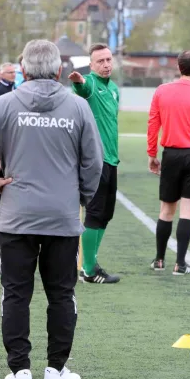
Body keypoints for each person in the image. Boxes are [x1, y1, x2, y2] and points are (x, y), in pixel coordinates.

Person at [0, 39, 103, 379]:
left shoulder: (6, 104)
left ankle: (20, 372)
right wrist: (78, 196)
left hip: (16, 215)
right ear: (57, 71)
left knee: (16, 294)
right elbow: (93, 163)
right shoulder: (78, 106)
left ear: (23, 70)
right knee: (62, 294)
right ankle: (56, 370)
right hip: (61, 216)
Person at [146, 50, 190, 275]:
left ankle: (159, 259)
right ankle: (180, 263)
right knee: (187, 210)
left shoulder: (162, 91)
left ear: (178, 67)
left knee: (166, 210)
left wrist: (152, 153)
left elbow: (153, 123)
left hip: (171, 155)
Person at [68, 43, 121, 284]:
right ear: (91, 65)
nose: (106, 64)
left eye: (108, 59)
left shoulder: (115, 90)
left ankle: (92, 262)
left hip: (112, 160)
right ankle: (87, 270)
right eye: (100, 61)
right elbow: (82, 87)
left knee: (106, 215)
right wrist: (78, 81)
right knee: (95, 214)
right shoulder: (90, 85)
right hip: (96, 162)